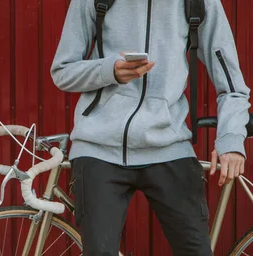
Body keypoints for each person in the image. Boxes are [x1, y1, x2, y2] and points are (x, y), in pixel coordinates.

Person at [50, 0, 251, 255]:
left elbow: (233, 86)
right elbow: (62, 71)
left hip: (170, 146)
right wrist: (109, 70)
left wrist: (231, 139)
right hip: (98, 149)